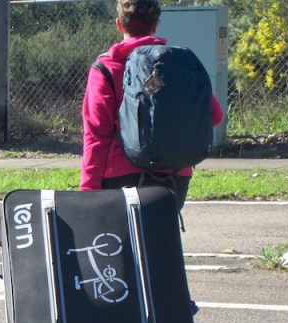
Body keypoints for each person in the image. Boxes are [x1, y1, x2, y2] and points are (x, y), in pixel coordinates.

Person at [81, 0, 224, 211]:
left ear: (119, 24)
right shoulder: (175, 64)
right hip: (176, 176)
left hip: (121, 175)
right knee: (161, 241)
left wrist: (88, 189)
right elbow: (215, 115)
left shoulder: (107, 67)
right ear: (156, 25)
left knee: (124, 242)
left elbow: (97, 134)